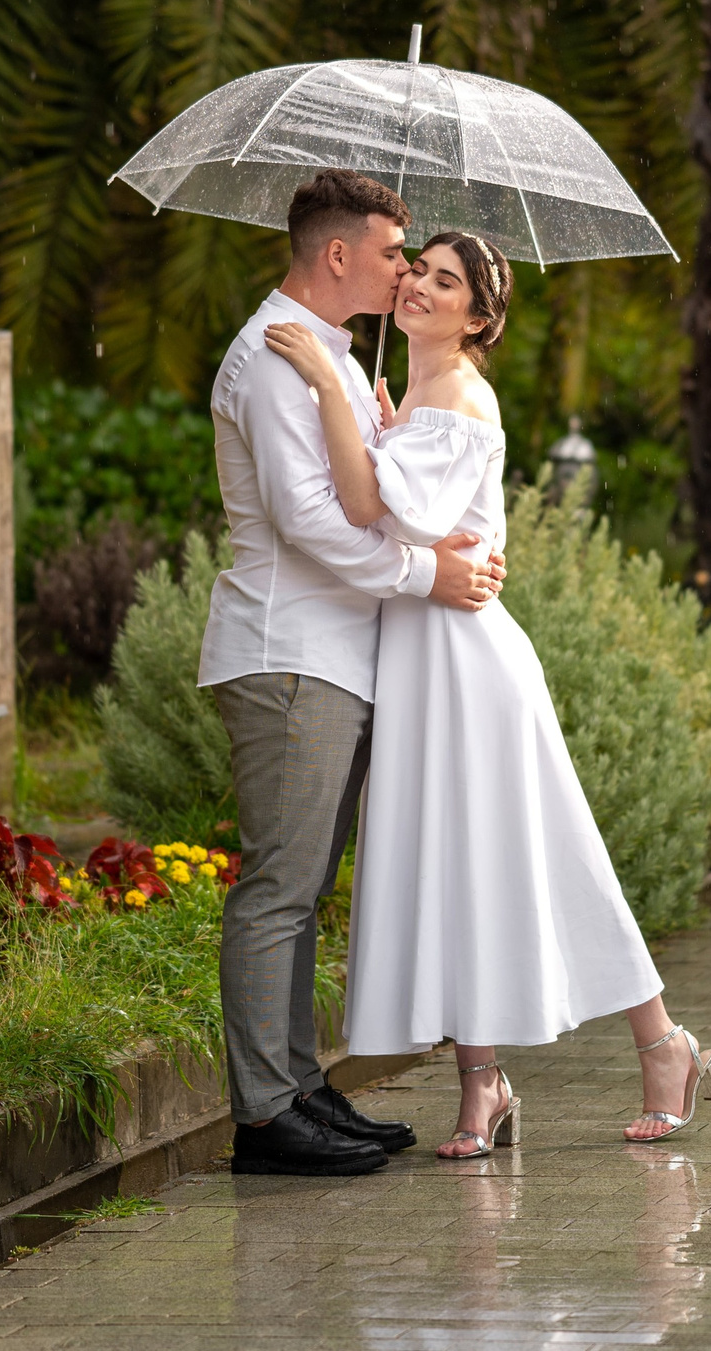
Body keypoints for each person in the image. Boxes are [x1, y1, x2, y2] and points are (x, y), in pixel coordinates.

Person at [264, 230, 711, 1157]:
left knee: (554, 855)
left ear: (479, 316)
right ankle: (482, 1086)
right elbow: (408, 509)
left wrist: (327, 385)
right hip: (422, 662)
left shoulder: (462, 396)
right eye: (419, 272)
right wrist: (379, 422)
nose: (420, 290)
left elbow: (374, 512)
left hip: (471, 665)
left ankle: (665, 1045)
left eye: (447, 283)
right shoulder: (423, 395)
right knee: (449, 869)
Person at [202, 169, 507, 1177]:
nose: (401, 271)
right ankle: (264, 1113)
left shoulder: (327, 353)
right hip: (290, 651)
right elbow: (314, 524)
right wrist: (434, 572)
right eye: (391, 254)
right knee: (278, 887)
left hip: (333, 655)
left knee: (303, 885)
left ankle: (298, 1085)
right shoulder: (273, 356)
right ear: (338, 254)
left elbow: (371, 491)